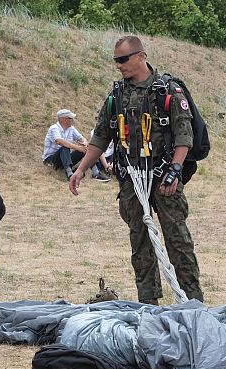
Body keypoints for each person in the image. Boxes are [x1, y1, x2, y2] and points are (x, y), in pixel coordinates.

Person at [68, 35, 203, 305]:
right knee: (140, 242)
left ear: (141, 56)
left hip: (164, 176)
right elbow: (101, 137)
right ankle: (148, 302)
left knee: (178, 241)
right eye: (115, 60)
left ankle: (192, 303)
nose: (119, 65)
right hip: (132, 179)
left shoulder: (168, 91)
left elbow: (183, 136)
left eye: (123, 59)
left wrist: (175, 170)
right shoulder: (116, 95)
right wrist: (81, 168)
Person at [42, 109, 111, 182]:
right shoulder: (54, 128)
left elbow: (81, 138)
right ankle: (69, 174)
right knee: (64, 147)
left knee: (86, 148)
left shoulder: (71, 129)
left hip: (65, 158)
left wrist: (84, 143)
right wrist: (77, 147)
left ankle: (96, 173)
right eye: (71, 118)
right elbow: (60, 141)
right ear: (64, 120)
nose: (72, 120)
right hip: (51, 160)